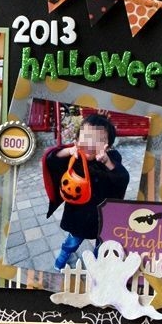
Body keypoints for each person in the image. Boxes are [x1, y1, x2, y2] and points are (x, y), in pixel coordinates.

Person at [42, 113, 130, 271]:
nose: (91, 143)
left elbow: (122, 179)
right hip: (79, 216)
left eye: (98, 140)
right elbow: (52, 160)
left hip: (103, 216)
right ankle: (62, 257)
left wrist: (107, 162)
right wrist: (68, 151)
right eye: (87, 137)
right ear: (77, 140)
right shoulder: (75, 157)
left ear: (108, 145)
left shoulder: (112, 159)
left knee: (102, 244)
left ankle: (96, 264)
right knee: (73, 241)